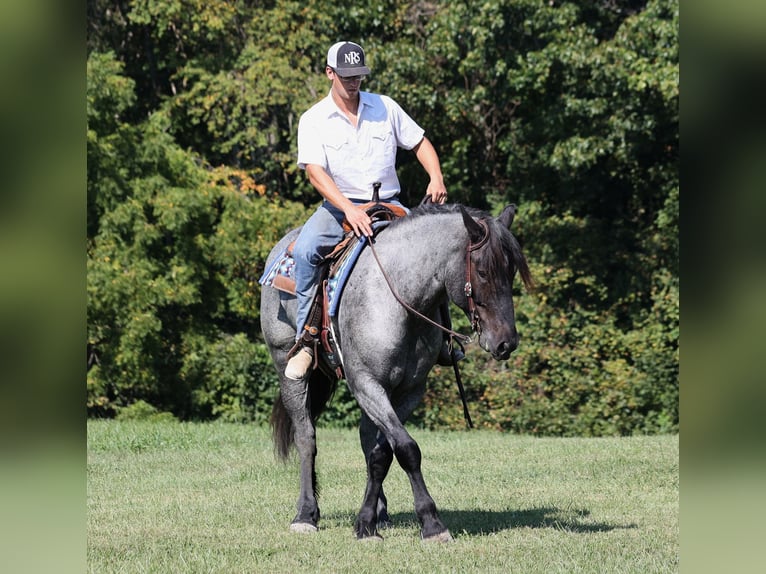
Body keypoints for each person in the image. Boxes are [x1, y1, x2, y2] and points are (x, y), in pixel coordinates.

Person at [285, 40, 456, 380]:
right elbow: (315, 172)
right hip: (339, 210)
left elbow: (419, 142)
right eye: (346, 75)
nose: (354, 82)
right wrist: (349, 209)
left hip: (390, 205)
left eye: (359, 75)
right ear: (329, 73)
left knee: (436, 251)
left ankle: (444, 339)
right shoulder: (314, 119)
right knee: (305, 252)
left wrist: (436, 176)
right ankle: (306, 339)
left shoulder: (385, 107)